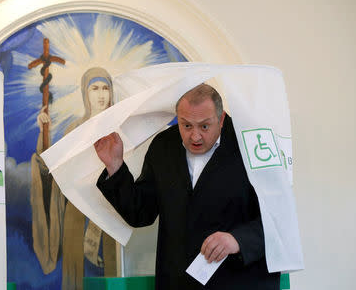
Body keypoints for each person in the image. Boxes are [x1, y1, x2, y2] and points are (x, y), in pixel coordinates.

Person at [94, 83, 280, 289]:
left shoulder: (253, 144)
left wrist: (238, 240)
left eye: (205, 126)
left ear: (221, 118)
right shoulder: (164, 145)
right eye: (187, 125)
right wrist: (115, 166)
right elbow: (141, 213)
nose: (195, 136)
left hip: (240, 281)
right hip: (178, 281)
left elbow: (280, 218)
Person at [30, 67, 117, 287]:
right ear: (85, 93)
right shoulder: (73, 130)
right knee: (78, 278)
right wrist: (44, 134)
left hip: (111, 213)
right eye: (94, 88)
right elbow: (53, 172)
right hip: (78, 216)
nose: (100, 94)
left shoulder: (121, 126)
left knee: (113, 271)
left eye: (105, 88)